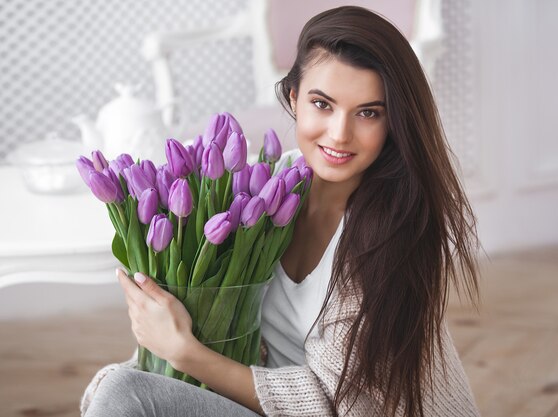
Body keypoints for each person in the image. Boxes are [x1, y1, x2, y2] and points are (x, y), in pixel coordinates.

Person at [82, 5, 481, 417]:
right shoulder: (266, 189)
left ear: (393, 121)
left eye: (368, 112)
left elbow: (341, 405)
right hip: (260, 401)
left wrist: (182, 353)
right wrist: (158, 349)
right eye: (322, 104)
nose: (339, 134)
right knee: (121, 388)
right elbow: (206, 329)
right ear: (294, 98)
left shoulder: (392, 233)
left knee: (126, 394)